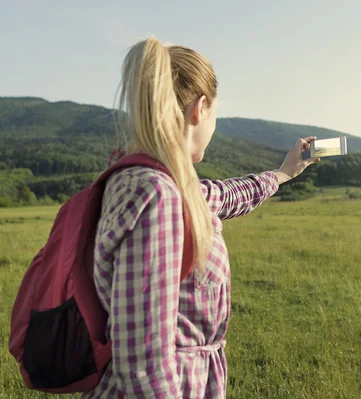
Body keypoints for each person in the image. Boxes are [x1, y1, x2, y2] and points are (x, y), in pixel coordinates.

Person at [85, 36, 319, 399]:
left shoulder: (167, 185)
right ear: (201, 108)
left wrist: (284, 173)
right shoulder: (156, 195)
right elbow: (142, 366)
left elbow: (225, 196)